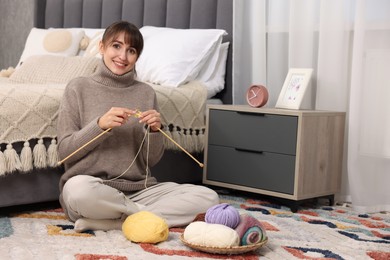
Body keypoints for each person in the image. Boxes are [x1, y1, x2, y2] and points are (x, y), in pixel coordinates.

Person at [56, 21, 219, 232]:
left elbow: (150, 160)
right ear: (102, 47)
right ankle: (140, 216)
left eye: (131, 50)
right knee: (77, 191)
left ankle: (115, 222)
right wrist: (99, 126)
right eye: (116, 46)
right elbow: (64, 152)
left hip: (139, 190)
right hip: (94, 189)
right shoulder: (77, 87)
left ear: (137, 57)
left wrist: (153, 132)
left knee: (209, 197)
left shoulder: (146, 93)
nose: (123, 56)